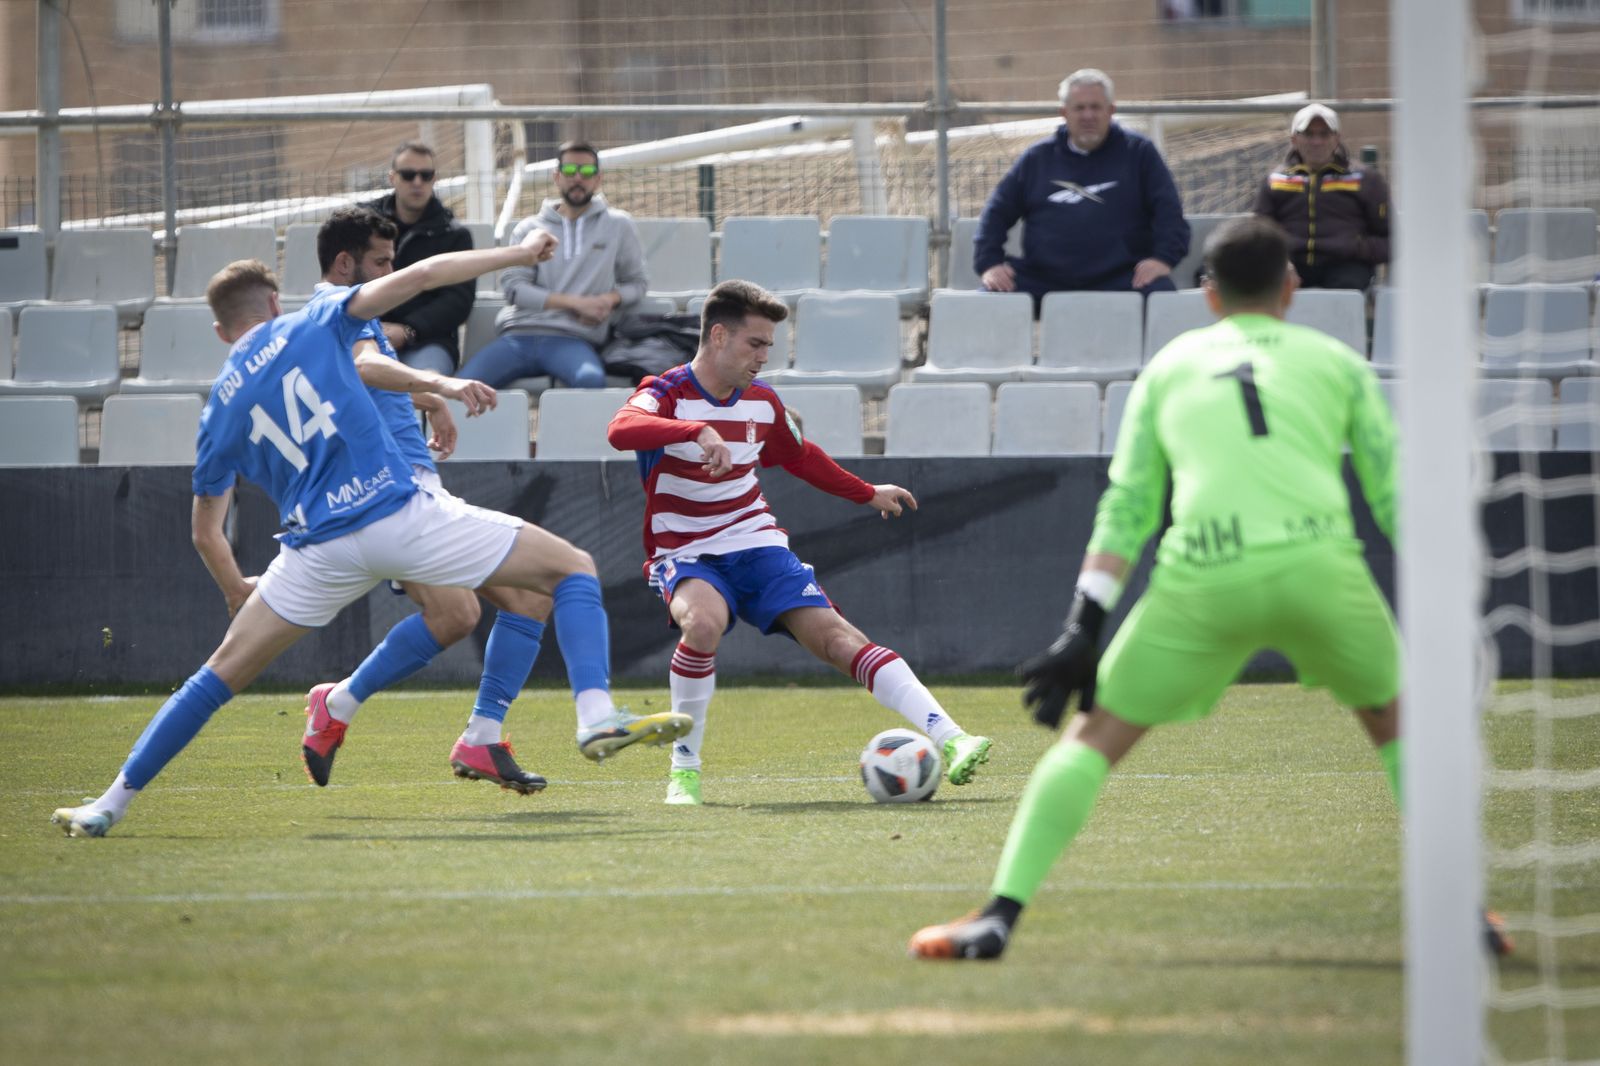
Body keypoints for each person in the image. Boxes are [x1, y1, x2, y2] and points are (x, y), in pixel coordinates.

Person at [908, 215, 1417, 959]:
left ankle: (997, 917)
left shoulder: (1172, 366)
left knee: (1095, 737)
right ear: (1292, 287)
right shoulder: (1336, 361)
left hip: (1206, 573)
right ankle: (1462, 916)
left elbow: (1129, 508)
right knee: (1402, 732)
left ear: (1207, 295)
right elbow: (1393, 490)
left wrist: (1084, 625)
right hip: (1320, 567)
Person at [48, 224, 632, 839]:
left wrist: (235, 589)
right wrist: (518, 256)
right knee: (571, 570)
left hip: (315, 550)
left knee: (215, 677)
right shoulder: (315, 317)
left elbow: (205, 530)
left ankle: (108, 803)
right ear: (275, 303)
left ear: (220, 332)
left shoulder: (217, 410)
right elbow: (424, 277)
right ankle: (593, 714)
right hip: (396, 518)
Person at [298, 207, 691, 795]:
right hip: (391, 499)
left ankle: (466, 732)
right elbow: (364, 365)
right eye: (381, 262)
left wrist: (427, 403)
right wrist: (441, 384)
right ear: (345, 263)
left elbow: (362, 378)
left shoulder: (344, 315)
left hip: (405, 489)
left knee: (508, 605)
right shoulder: (337, 308)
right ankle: (589, 714)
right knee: (567, 570)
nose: (390, 272)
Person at [606, 279, 994, 806]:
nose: (765, 356)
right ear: (718, 336)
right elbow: (622, 428)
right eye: (756, 344)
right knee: (702, 623)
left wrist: (866, 492)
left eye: (769, 345)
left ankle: (954, 738)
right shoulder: (665, 392)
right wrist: (695, 431)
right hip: (686, 550)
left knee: (839, 641)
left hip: (758, 543)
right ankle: (685, 770)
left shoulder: (763, 403)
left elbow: (798, 455)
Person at [973, 68, 1189, 310]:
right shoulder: (1038, 158)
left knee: (1163, 297)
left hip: (1121, 277)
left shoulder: (1139, 153)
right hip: (1045, 277)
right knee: (988, 302)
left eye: (1096, 107)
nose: (1088, 115)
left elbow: (1169, 212)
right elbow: (996, 212)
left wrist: (1161, 259)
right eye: (1079, 108)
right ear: (1064, 113)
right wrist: (990, 263)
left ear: (1111, 111)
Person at [459, 141, 647, 389]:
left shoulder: (619, 225)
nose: (578, 178)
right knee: (462, 387)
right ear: (556, 177)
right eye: (570, 171)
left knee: (590, 381)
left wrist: (607, 300)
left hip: (574, 339)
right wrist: (577, 304)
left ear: (599, 178)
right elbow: (515, 289)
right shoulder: (528, 228)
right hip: (518, 336)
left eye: (587, 172)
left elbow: (637, 283)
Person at [360, 141, 475, 374]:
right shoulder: (361, 225)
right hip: (367, 334)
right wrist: (374, 328)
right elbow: (345, 281)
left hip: (428, 341)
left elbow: (457, 301)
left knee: (426, 385)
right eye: (408, 175)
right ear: (392, 178)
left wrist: (408, 330)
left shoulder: (455, 235)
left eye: (426, 175)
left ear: (434, 179)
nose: (417, 182)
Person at [1252, 103, 1391, 291]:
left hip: (1345, 266)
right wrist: (1279, 261)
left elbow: (1393, 239)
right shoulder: (1275, 180)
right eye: (1308, 134)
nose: (1316, 142)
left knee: (1345, 290)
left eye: (1324, 134)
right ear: (1294, 139)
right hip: (1290, 265)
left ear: (1336, 139)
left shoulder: (1366, 179)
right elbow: (1259, 233)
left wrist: (1356, 248)